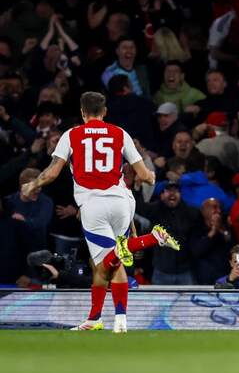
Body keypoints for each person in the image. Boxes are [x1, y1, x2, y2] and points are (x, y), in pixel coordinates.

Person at [22, 91, 179, 333]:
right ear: (104, 112)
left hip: (94, 206)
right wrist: (151, 175)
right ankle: (117, 321)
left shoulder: (72, 134)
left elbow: (52, 172)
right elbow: (146, 176)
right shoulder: (120, 133)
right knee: (109, 266)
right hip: (121, 203)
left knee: (106, 265)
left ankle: (149, 239)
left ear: (83, 113)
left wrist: (32, 184)